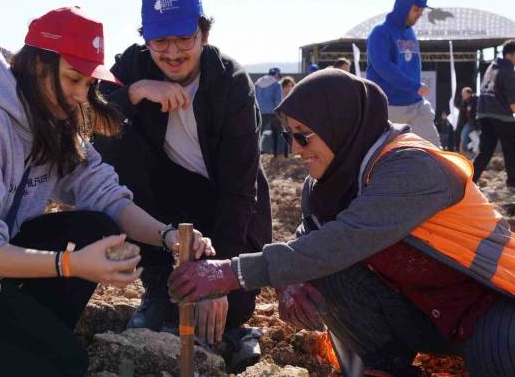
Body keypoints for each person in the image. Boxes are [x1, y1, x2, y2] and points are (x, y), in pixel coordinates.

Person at [0, 7, 213, 377]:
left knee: (93, 227)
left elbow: (107, 197)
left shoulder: (53, 119)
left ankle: (31, 338)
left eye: (88, 83)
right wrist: (72, 265)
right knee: (66, 364)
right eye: (72, 79)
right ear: (38, 66)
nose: (81, 96)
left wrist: (167, 237)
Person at [169, 68, 515, 377]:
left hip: (485, 306)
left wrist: (230, 273)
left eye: (303, 134)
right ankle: (387, 365)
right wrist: (292, 281)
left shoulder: (411, 165)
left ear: (340, 125)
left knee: (497, 360)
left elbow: (345, 239)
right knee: (319, 264)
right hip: (423, 314)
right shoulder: (322, 186)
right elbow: (311, 242)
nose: (295, 148)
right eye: (289, 135)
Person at [94, 0, 271, 371]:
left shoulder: (231, 82)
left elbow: (240, 191)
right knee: (115, 145)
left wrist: (218, 275)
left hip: (226, 205)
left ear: (204, 34)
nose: (173, 53)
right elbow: (91, 119)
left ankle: (234, 330)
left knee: (231, 308)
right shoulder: (132, 67)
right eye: (160, 42)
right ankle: (158, 286)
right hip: (165, 205)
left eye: (184, 39)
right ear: (146, 40)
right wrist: (137, 91)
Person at [366, 0, 441, 147]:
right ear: (403, 8)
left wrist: (415, 89)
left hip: (415, 105)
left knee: (434, 151)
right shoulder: (380, 33)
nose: (420, 14)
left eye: (421, 10)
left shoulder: (410, 32)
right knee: (380, 156)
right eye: (416, 10)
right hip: (387, 107)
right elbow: (383, 67)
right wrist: (414, 86)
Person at [473, 39, 515, 188]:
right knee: (511, 149)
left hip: (484, 113)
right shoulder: (508, 68)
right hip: (501, 114)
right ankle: (512, 183)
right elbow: (512, 99)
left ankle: (470, 180)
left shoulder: (492, 66)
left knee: (485, 151)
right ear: (511, 55)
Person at [255, 67, 283, 156]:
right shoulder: (276, 84)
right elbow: (278, 101)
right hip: (273, 112)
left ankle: (257, 152)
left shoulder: (258, 83)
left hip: (260, 111)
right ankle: (276, 153)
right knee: (276, 133)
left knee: (258, 133)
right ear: (277, 74)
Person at [457, 87, 478, 154]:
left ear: (469, 94)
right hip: (470, 123)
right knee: (476, 140)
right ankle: (469, 151)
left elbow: (471, 111)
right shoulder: (465, 102)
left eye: (464, 93)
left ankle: (466, 151)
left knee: (464, 136)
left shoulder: (473, 100)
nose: (462, 95)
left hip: (472, 123)